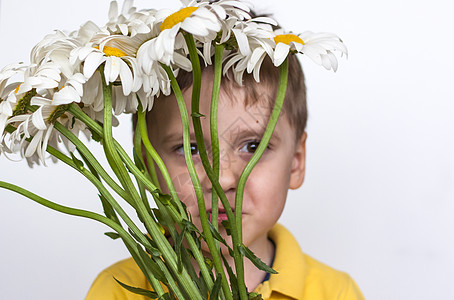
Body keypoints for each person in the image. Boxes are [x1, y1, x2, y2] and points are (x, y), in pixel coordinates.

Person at [86, 54, 365, 299]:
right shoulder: (116, 292)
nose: (221, 180)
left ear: (296, 162)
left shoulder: (336, 293)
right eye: (189, 149)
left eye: (253, 147)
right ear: (144, 166)